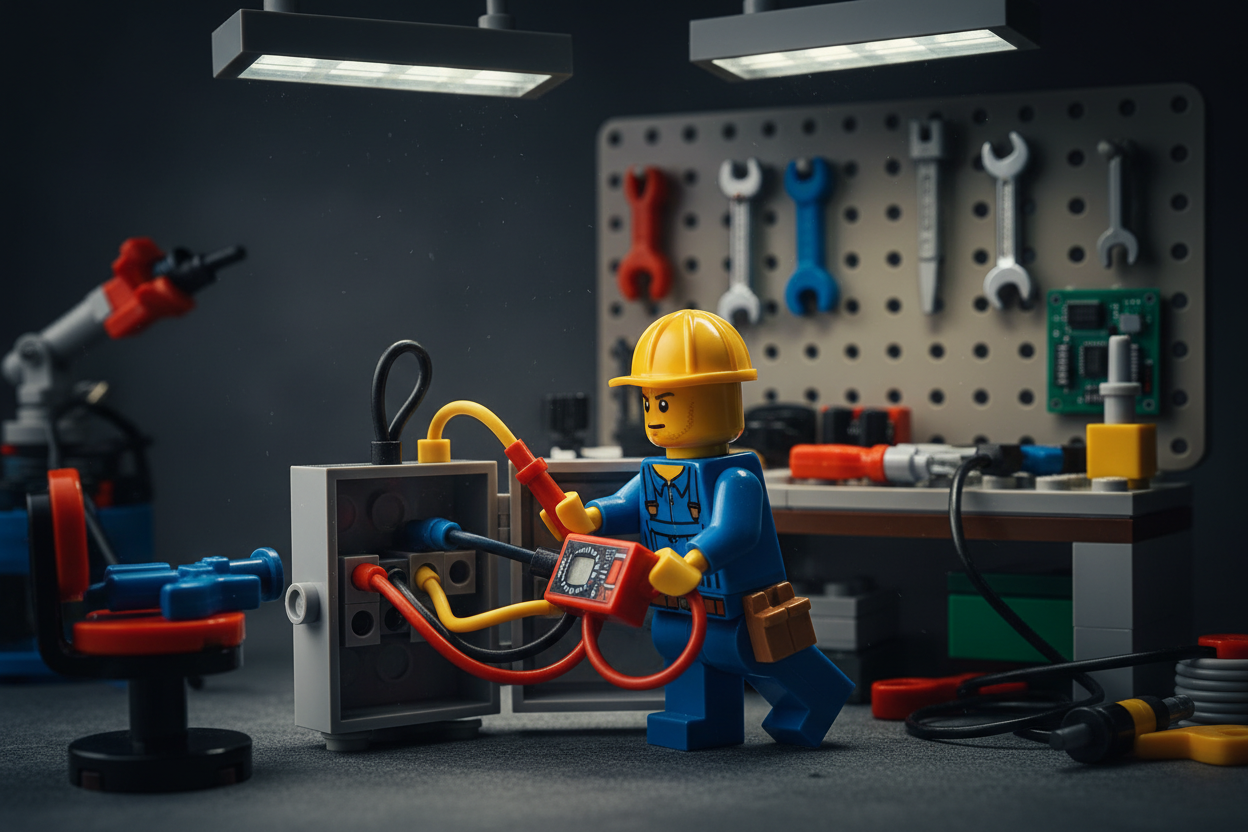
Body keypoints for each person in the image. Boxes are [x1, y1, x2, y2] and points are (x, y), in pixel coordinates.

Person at [549, 309, 853, 750]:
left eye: (666, 402)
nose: (654, 414)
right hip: (678, 599)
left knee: (762, 652)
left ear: (716, 400)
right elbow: (626, 505)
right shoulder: (657, 469)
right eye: (650, 402)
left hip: (740, 602)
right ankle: (698, 717)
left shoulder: (737, 477)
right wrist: (590, 517)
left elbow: (734, 530)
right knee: (682, 645)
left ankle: (817, 697)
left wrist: (693, 560)